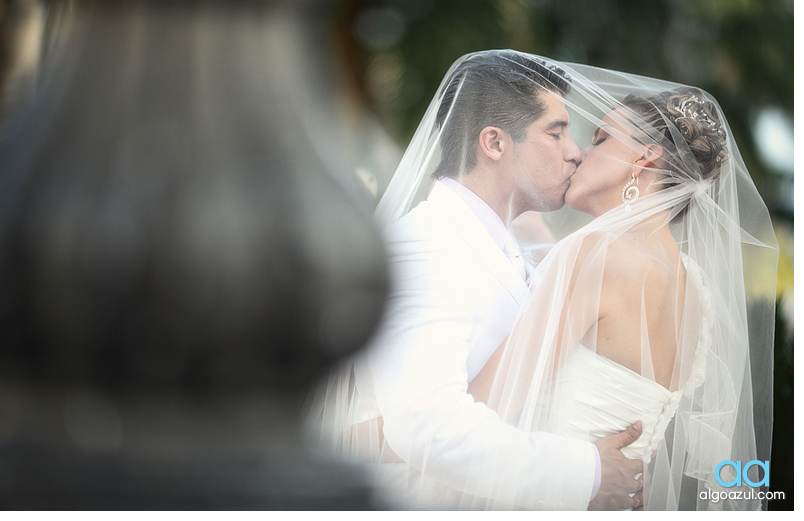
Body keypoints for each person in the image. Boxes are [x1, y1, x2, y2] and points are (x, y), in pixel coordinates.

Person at [307, 50, 646, 510]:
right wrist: (584, 473)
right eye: (556, 131)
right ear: (494, 143)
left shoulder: (510, 250)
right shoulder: (426, 246)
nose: (575, 151)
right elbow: (430, 425)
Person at [467, 82, 777, 510]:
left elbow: (486, 406)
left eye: (601, 138)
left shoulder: (596, 255)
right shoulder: (694, 288)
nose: (578, 153)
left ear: (645, 156)